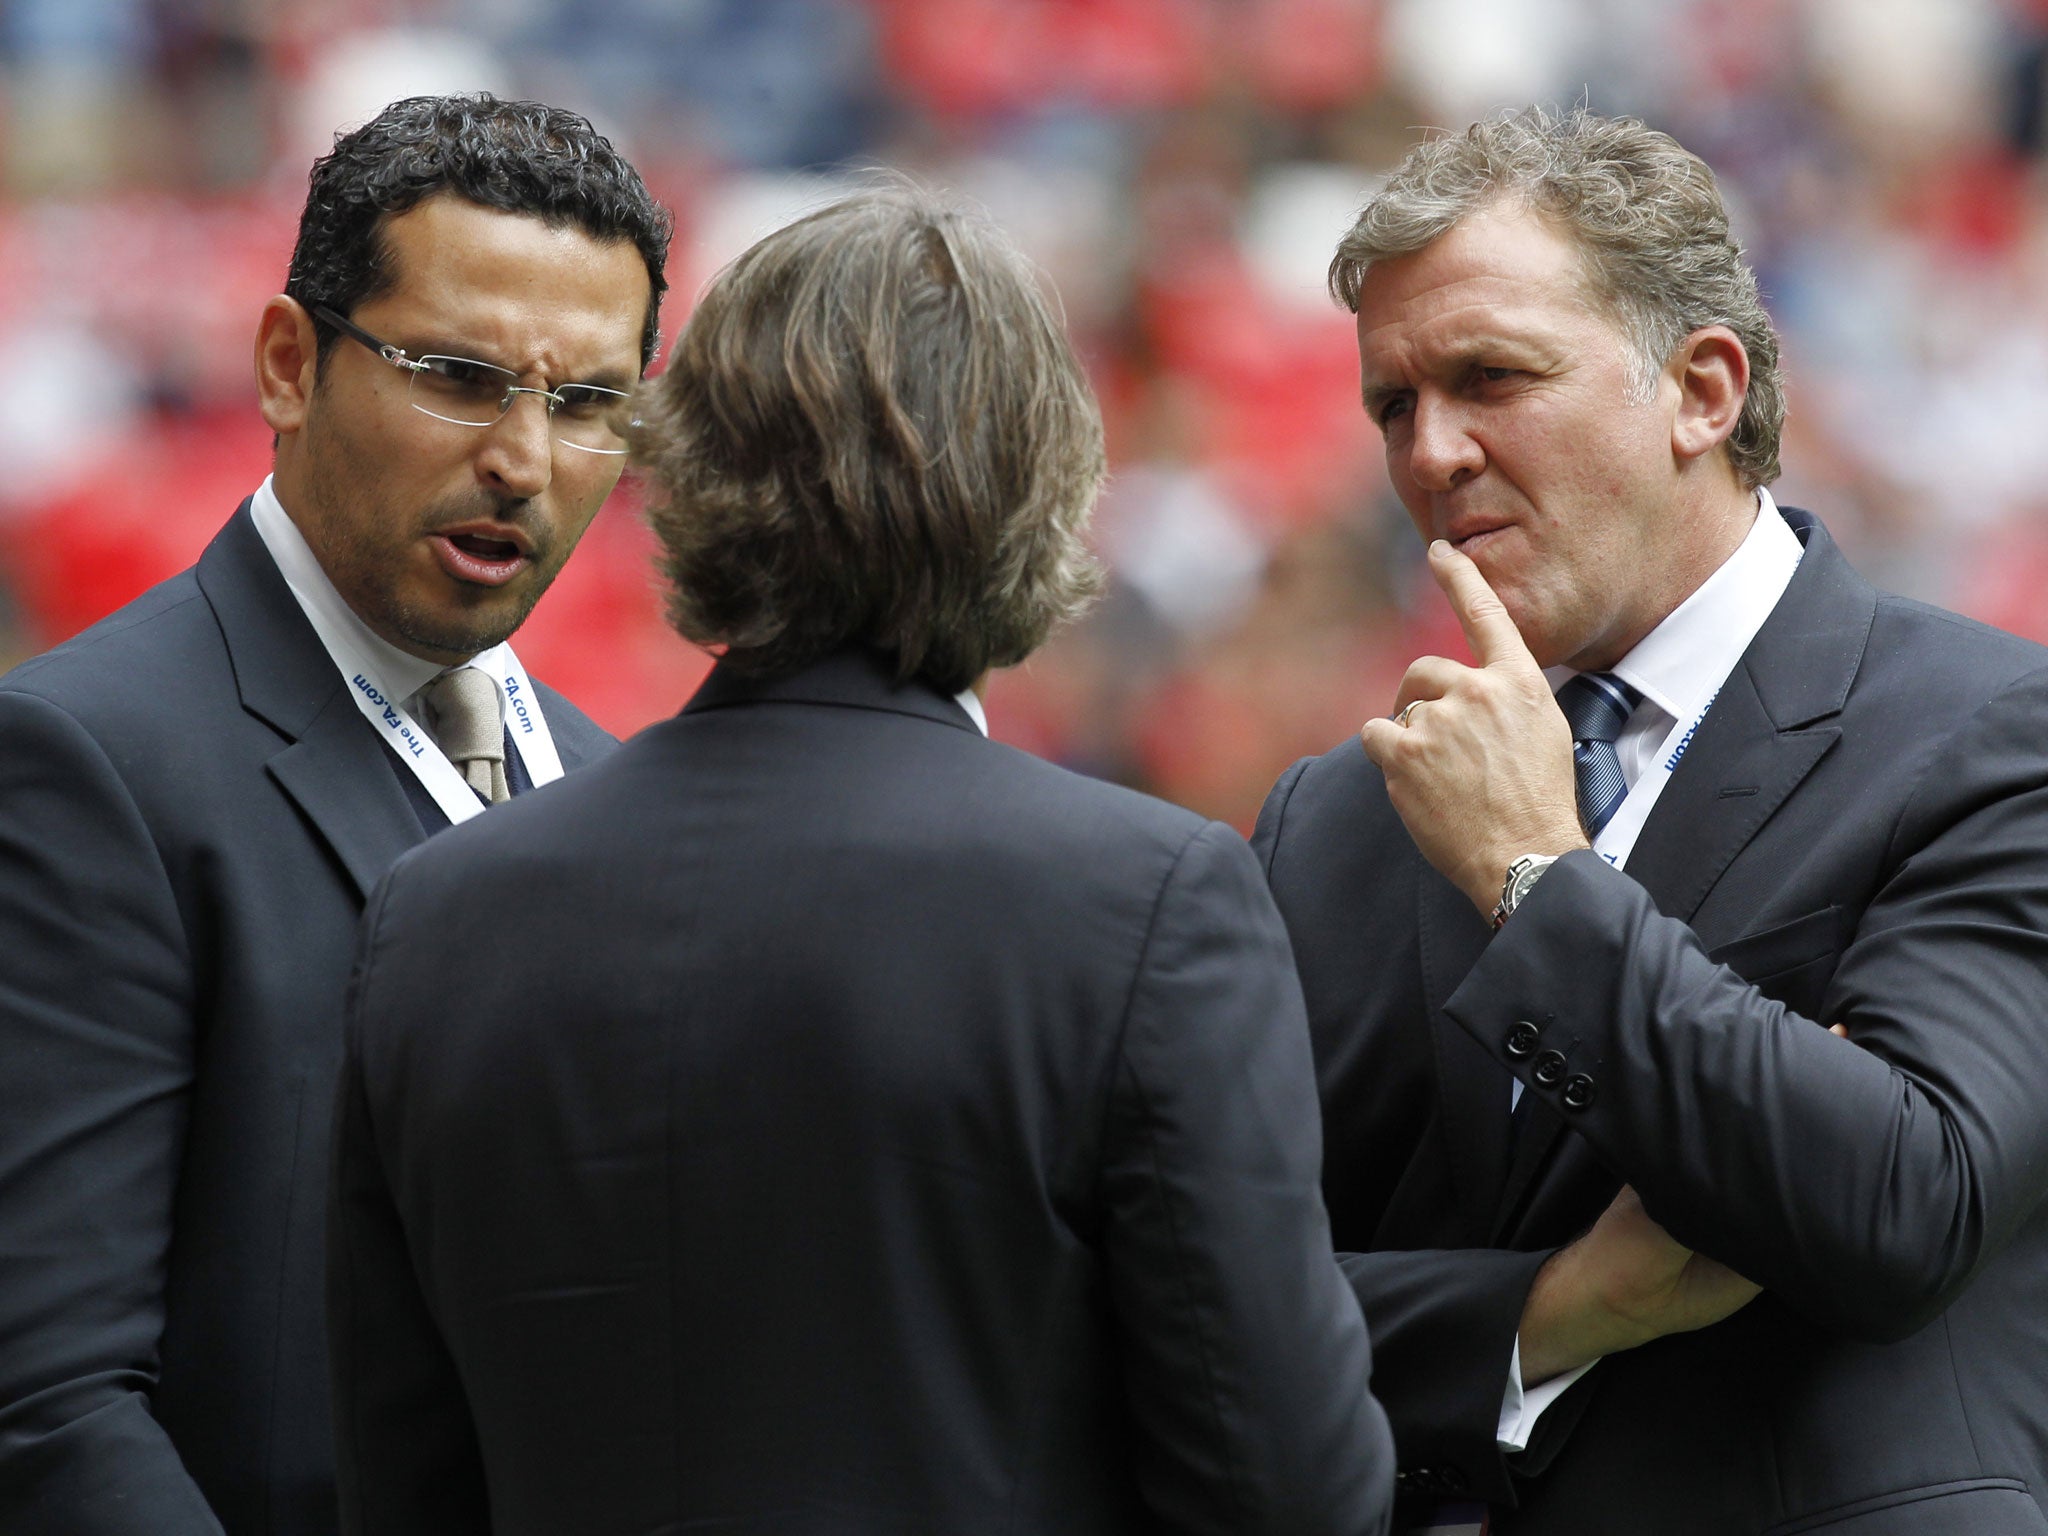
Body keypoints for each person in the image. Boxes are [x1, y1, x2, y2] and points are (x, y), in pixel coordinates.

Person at [326, 183, 1396, 1536]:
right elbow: (1291, 1492)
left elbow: (395, 1481)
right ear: (1040, 485)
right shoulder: (1145, 904)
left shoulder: (439, 912)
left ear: (693, 479)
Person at [1253, 106, 2048, 1534]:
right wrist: (1552, 1311)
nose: (1432, 454)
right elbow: (1213, 1316)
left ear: (1703, 390)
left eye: (1491, 376)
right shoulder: (1334, 820)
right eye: (1393, 403)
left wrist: (1534, 879)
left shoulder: (1993, 732)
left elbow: (1900, 1202)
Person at [0, 94, 669, 1533]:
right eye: (459, 375)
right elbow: (45, 1405)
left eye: (589, 402)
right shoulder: (85, 764)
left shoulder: (620, 788)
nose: (527, 459)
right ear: (290, 365)